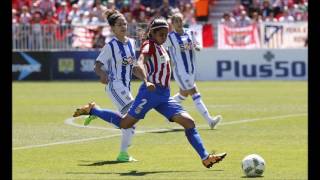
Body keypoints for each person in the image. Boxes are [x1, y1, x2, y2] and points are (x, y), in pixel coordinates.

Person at [73, 17, 227, 168]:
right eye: (161, 34)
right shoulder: (149, 44)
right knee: (125, 123)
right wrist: (147, 80)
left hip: (164, 96)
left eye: (166, 34)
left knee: (189, 123)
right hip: (149, 93)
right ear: (152, 34)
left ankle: (205, 157)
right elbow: (140, 61)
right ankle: (94, 110)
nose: (164, 37)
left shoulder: (161, 46)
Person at [83, 9, 138, 162]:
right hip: (114, 85)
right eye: (120, 24)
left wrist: (146, 79)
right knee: (132, 118)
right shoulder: (111, 46)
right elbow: (97, 65)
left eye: (125, 24)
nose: (123, 26)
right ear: (113, 28)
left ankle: (95, 111)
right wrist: (102, 74)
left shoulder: (132, 43)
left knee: (128, 122)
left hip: (126, 86)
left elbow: (134, 65)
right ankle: (123, 154)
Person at [165, 13, 222, 129]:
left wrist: (197, 47)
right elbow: (161, 48)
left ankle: (166, 107)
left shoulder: (189, 32)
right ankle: (210, 121)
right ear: (173, 24)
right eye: (176, 21)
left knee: (183, 94)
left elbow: (197, 44)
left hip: (191, 69)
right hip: (180, 71)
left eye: (180, 20)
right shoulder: (170, 37)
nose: (179, 23)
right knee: (194, 92)